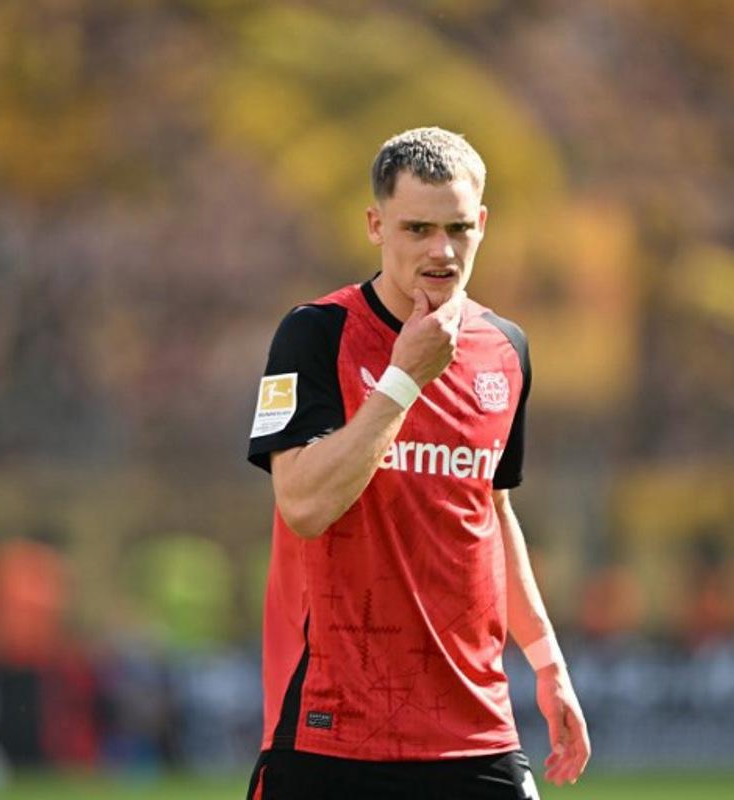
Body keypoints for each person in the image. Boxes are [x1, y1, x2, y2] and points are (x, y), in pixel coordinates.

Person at [245, 127, 589, 799]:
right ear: (376, 225)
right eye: (417, 228)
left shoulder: (506, 349)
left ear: (483, 224)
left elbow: (490, 509)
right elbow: (305, 506)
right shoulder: (315, 335)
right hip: (330, 731)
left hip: (474, 731)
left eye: (459, 228)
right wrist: (404, 380)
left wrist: (548, 663)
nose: (442, 250)